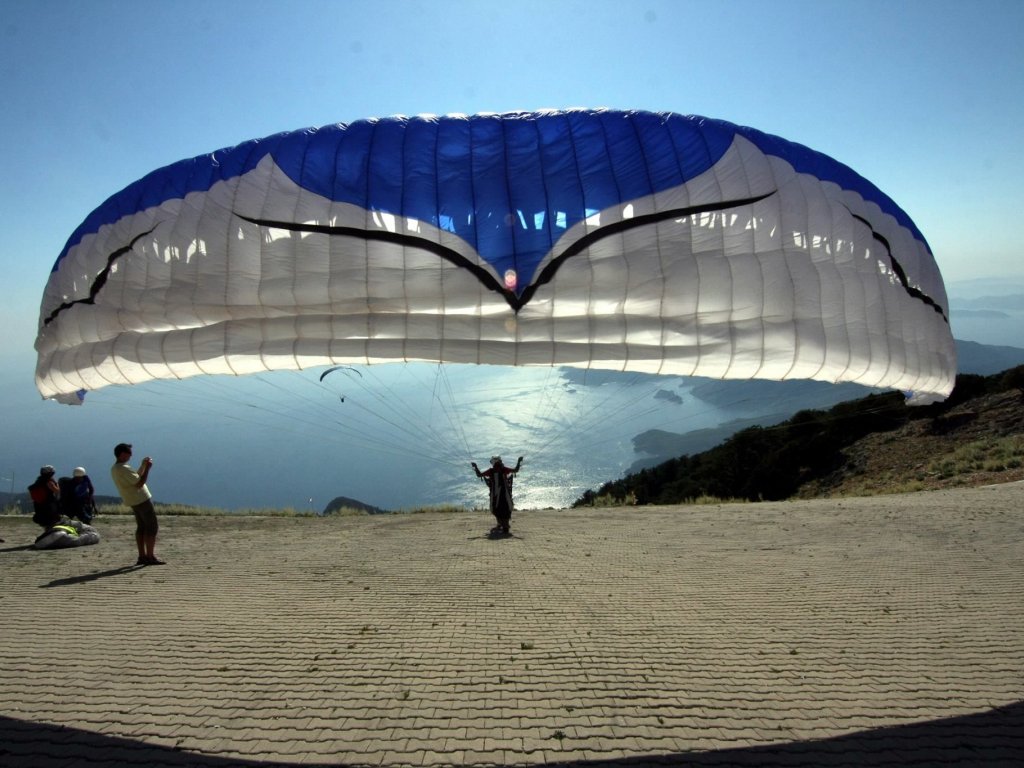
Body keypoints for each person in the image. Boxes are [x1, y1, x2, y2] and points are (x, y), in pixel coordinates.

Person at [111, 443, 164, 566]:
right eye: (129, 453)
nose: (131, 455)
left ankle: (142, 556)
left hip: (133, 500)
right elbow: (140, 483)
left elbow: (135, 477)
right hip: (141, 500)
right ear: (123, 454)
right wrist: (148, 469)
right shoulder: (123, 468)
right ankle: (150, 556)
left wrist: (143, 466)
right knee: (151, 527)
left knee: (141, 527)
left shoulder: (115, 468)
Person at [471, 455, 523, 535]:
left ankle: (501, 524)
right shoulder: (503, 469)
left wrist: (475, 467)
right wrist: (519, 462)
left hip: (495, 494)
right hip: (505, 494)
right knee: (506, 507)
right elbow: (515, 470)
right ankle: (505, 525)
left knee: (496, 507)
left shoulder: (491, 471)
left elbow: (479, 475)